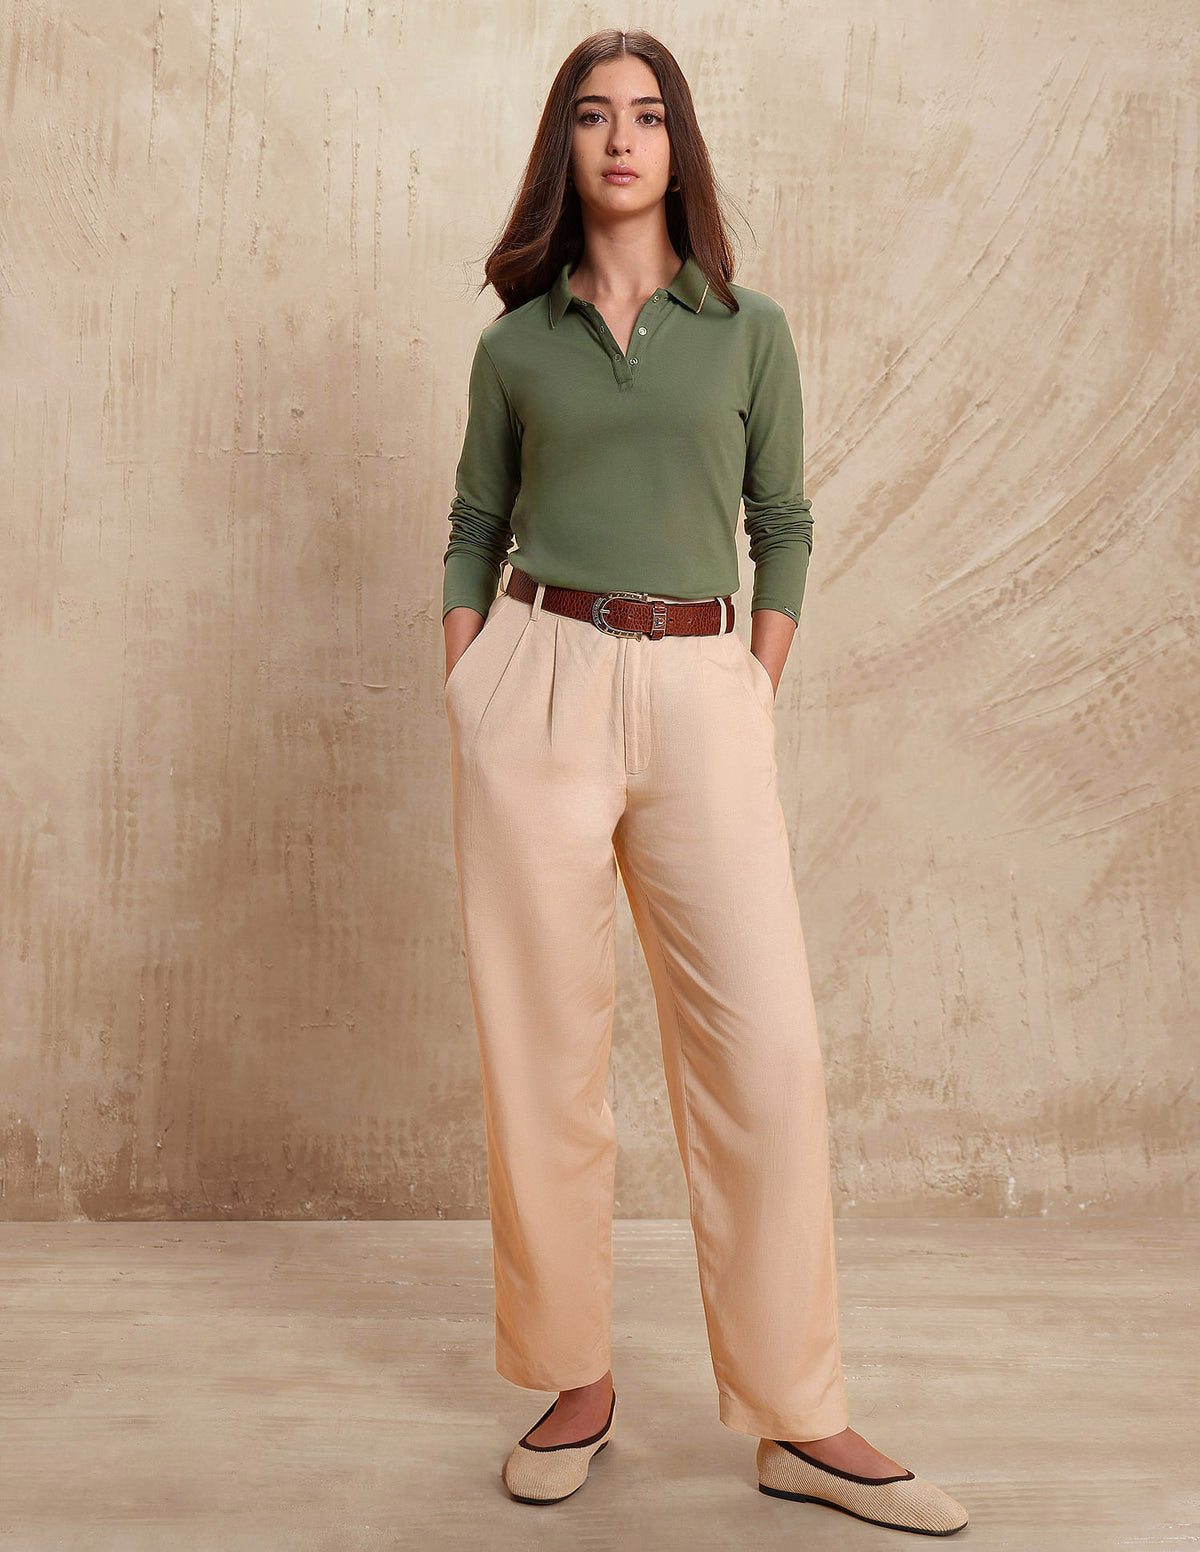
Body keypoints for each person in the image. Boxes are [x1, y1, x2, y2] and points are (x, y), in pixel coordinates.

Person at [439, 27, 969, 1537]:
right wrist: (471, 681)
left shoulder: (748, 330)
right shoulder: (516, 345)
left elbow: (781, 521)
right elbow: (475, 520)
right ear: (566, 145)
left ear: (680, 146)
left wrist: (752, 681)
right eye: (594, 115)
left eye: (648, 114)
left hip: (700, 685)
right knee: (542, 1049)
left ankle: (800, 1415)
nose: (622, 138)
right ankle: (574, 1379)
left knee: (766, 1051)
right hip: (538, 682)